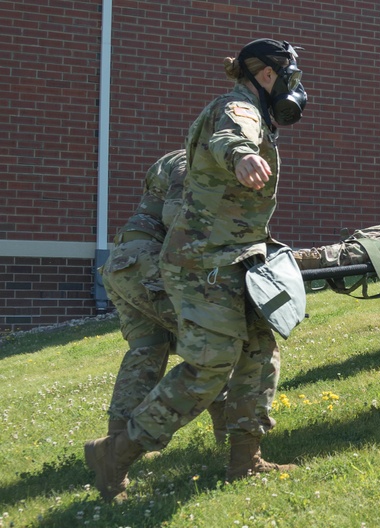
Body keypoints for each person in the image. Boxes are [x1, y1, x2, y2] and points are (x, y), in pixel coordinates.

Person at [85, 38, 308, 502]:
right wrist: (243, 156)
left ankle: (244, 460)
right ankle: (116, 453)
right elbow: (232, 136)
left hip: (236, 256)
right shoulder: (238, 107)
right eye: (289, 74)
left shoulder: (252, 111)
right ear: (267, 73)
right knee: (210, 364)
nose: (295, 84)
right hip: (202, 262)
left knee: (259, 349)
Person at [100, 150, 279, 446]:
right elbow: (178, 215)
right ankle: (235, 444)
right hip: (150, 263)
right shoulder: (193, 160)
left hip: (125, 264)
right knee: (220, 341)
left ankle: (113, 445)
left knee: (147, 350)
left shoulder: (174, 159)